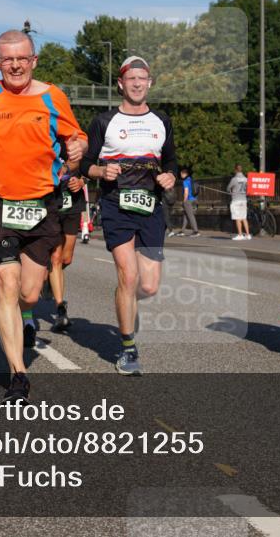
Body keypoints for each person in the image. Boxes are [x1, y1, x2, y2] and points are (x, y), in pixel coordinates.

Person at [0, 29, 86, 402]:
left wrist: (77, 148)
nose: (16, 65)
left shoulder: (53, 96)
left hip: (41, 205)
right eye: (8, 59)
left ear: (33, 60)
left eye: (22, 58)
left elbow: (77, 138)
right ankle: (18, 376)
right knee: (7, 282)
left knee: (29, 292)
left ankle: (27, 315)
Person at [82, 56, 177, 376]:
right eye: (131, 78)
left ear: (150, 83)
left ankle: (127, 302)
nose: (137, 83)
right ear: (121, 84)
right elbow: (85, 164)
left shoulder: (162, 120)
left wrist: (170, 175)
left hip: (151, 207)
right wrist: (100, 171)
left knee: (148, 286)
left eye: (142, 78)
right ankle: (127, 349)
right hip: (116, 205)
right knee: (128, 275)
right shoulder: (104, 121)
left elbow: (171, 160)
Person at [48, 165, 87, 331]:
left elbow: (90, 167)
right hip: (51, 202)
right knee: (55, 258)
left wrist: (82, 181)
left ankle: (48, 279)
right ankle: (60, 309)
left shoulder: (80, 149)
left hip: (73, 204)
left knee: (66, 259)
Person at [227, 164, 250, 240]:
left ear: (235, 170)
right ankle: (248, 235)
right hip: (243, 200)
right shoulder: (246, 179)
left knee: (237, 218)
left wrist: (231, 191)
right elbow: (248, 189)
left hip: (236, 200)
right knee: (244, 218)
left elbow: (228, 188)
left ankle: (240, 235)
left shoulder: (234, 179)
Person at [178, 167, 199, 237]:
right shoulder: (191, 180)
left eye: (181, 174)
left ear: (184, 174)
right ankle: (182, 231)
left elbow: (186, 192)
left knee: (190, 216)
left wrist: (184, 201)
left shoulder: (185, 181)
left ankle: (196, 231)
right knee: (186, 215)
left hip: (188, 200)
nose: (180, 175)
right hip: (194, 199)